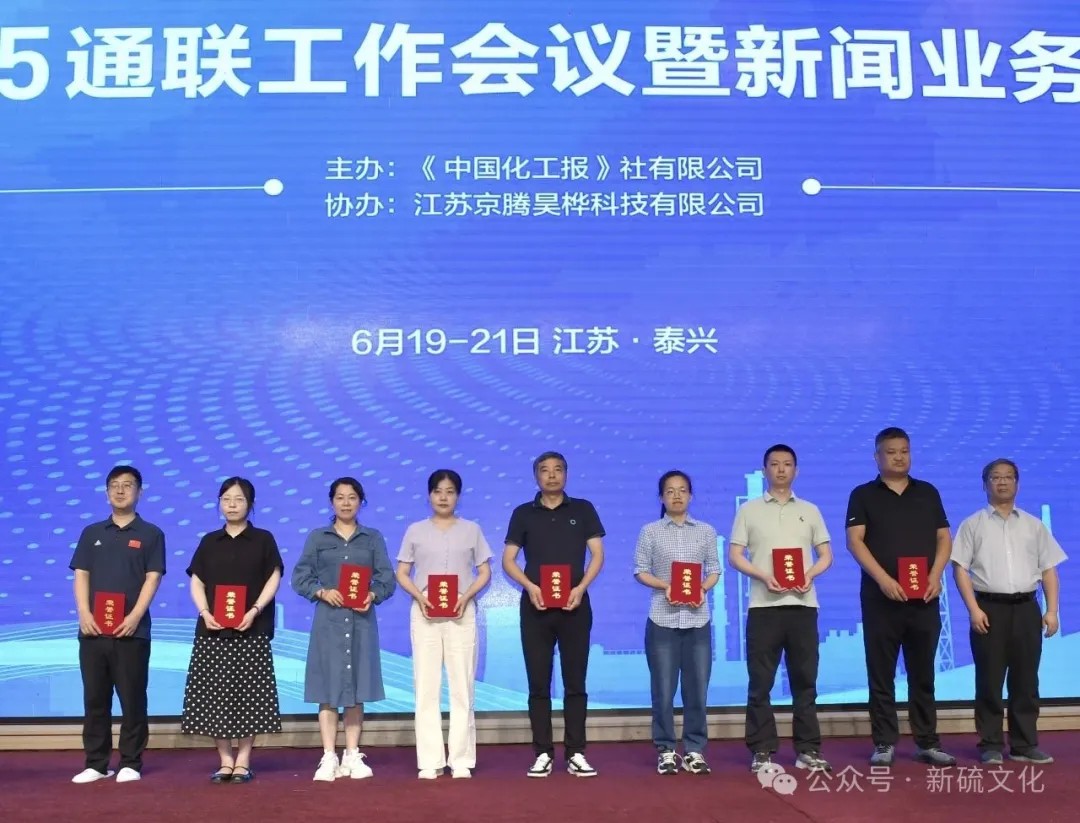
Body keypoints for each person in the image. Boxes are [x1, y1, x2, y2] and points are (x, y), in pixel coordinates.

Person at [845, 427, 956, 767]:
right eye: (891, 452)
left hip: (924, 599)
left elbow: (944, 538)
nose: (899, 457)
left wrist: (936, 576)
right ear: (877, 457)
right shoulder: (863, 495)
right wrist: (883, 579)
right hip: (881, 600)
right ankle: (883, 743)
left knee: (923, 674)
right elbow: (854, 541)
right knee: (881, 674)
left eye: (904, 451)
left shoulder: (928, 492)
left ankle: (928, 741)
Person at [951, 458, 1066, 765]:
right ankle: (990, 743)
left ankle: (1024, 744)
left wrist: (1052, 610)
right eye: (995, 477)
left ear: (1017, 483)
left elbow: (1049, 570)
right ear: (984, 484)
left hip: (1027, 608)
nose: (1002, 482)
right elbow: (960, 569)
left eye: (1008, 477)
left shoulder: (1033, 525)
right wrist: (973, 609)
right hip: (989, 609)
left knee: (1026, 680)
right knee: (989, 680)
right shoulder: (972, 524)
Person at [729, 445, 833, 774]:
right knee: (760, 683)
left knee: (805, 681)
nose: (781, 469)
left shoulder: (810, 510)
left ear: (796, 471)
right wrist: (763, 576)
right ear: (765, 471)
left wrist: (809, 575)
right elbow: (735, 555)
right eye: (774, 464)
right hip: (764, 608)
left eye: (787, 464)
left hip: (803, 606)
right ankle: (762, 749)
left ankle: (808, 750)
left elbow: (826, 555)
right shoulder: (748, 510)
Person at [503, 451, 605, 778]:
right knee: (538, 683)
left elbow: (597, 555)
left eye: (558, 470)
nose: (551, 475)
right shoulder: (523, 513)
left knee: (576, 683)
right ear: (536, 476)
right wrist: (530, 587)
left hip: (575, 606)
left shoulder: (583, 509)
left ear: (566, 474)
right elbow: (508, 560)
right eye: (545, 470)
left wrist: (581, 588)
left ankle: (576, 752)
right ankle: (543, 753)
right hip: (536, 608)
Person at [180, 477, 285, 783]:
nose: (232, 505)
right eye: (226, 499)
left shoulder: (263, 539)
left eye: (239, 499)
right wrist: (205, 612)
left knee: (249, 696)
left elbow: (274, 577)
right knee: (215, 695)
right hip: (213, 630)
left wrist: (254, 610)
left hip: (251, 628)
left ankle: (243, 760)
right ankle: (225, 760)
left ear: (250, 504)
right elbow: (197, 580)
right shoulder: (209, 541)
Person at [292, 477, 396, 782]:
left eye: (352, 497)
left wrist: (372, 595)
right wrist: (322, 592)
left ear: (361, 502)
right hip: (328, 622)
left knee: (355, 689)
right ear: (332, 502)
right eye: (340, 497)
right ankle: (328, 756)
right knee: (327, 690)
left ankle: (352, 754)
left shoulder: (372, 538)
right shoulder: (318, 537)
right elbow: (300, 577)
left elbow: (386, 579)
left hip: (361, 622)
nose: (346, 503)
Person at [69, 464, 166, 784]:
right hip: (93, 631)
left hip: (132, 632)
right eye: (114, 485)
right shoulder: (92, 533)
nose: (120, 490)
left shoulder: (151, 534)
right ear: (106, 491)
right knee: (95, 698)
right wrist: (84, 614)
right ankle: (96, 763)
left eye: (127, 485)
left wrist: (135, 616)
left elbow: (153, 578)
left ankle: (130, 762)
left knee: (132, 697)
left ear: (140, 492)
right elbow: (81, 573)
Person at [395, 469, 493, 779]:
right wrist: (420, 597)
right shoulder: (415, 530)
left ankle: (461, 759)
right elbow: (402, 573)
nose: (443, 497)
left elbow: (485, 572)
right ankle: (430, 760)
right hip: (425, 613)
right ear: (429, 495)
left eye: (450, 491)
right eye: (438, 491)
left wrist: (466, 596)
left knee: (462, 686)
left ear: (458, 496)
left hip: (461, 613)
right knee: (426, 687)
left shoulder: (472, 530)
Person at [633, 470, 720, 776]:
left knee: (697, 689)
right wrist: (665, 586)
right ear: (661, 498)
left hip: (697, 620)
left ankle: (694, 749)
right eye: (670, 491)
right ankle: (666, 749)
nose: (677, 496)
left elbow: (714, 570)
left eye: (682, 490)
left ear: (691, 495)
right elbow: (640, 570)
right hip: (662, 619)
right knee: (663, 689)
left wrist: (702, 589)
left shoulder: (706, 531)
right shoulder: (650, 531)